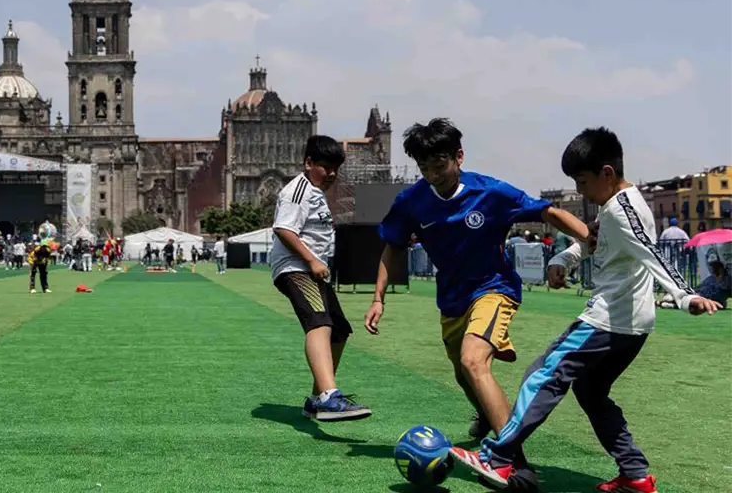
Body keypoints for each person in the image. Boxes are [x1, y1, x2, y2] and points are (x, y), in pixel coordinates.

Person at [451, 127, 722, 492]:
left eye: (582, 181)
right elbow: (593, 239)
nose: (580, 191)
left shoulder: (625, 209)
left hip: (608, 319)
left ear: (606, 173)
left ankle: (497, 459)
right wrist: (564, 259)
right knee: (590, 392)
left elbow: (652, 253)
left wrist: (686, 295)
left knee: (544, 374)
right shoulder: (614, 205)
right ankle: (635, 474)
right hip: (633, 326)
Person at [364, 118, 589, 442]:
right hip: (452, 299)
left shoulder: (491, 192)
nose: (432, 174)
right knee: (463, 373)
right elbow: (392, 248)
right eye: (424, 167)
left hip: (494, 288)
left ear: (459, 156)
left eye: (439, 164)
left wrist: (590, 239)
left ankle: (510, 457)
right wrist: (378, 298)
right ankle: (487, 414)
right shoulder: (411, 202)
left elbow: (548, 213)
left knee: (472, 359)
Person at [270, 135, 370, 421]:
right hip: (295, 269)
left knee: (338, 330)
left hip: (311, 271)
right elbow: (284, 229)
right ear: (309, 163)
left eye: (336, 168)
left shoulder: (316, 193)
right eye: (326, 167)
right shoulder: (298, 191)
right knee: (319, 322)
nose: (332, 174)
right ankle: (329, 395)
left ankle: (316, 400)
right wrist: (312, 259)